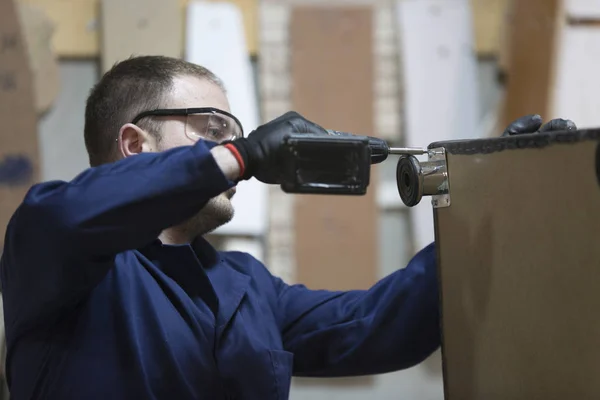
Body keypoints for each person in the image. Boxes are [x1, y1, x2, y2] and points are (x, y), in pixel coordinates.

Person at [0, 55, 576, 400]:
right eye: (212, 127)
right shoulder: (56, 247)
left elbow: (380, 324)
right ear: (134, 144)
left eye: (236, 132)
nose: (232, 144)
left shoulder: (246, 286)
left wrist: (498, 202)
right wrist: (241, 156)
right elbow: (73, 213)